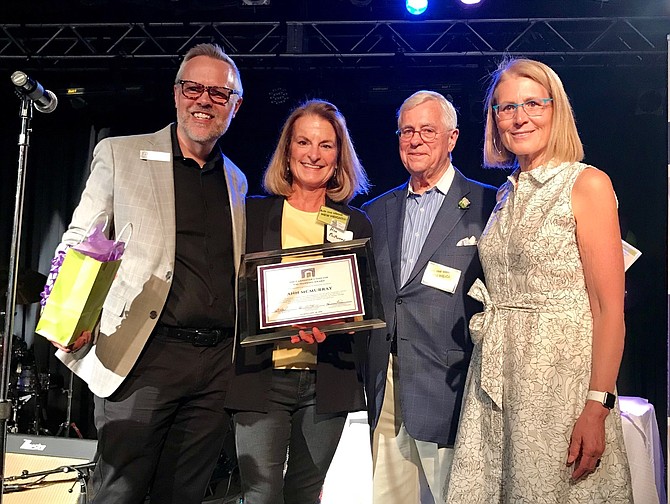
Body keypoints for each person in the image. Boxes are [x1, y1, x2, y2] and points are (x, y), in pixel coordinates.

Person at [45, 43, 247, 504]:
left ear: (235, 106)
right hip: (142, 354)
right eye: (193, 88)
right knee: (118, 493)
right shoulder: (120, 153)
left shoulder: (236, 179)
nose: (204, 101)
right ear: (175, 94)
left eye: (219, 94)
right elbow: (80, 240)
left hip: (215, 366)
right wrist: (65, 318)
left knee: (185, 495)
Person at [445, 58, 633, 502]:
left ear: (556, 109)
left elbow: (609, 308)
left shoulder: (586, 184)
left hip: (558, 383)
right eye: (506, 108)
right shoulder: (506, 191)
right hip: (496, 375)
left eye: (532, 103)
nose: (519, 117)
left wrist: (597, 404)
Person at [225, 99, 371, 504]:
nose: (314, 154)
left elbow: (364, 300)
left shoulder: (354, 223)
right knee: (260, 494)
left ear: (339, 155)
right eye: (303, 142)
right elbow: (231, 293)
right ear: (287, 151)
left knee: (306, 494)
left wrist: (339, 321)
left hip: (327, 379)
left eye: (326, 145)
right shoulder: (252, 214)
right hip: (261, 377)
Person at [362, 90, 497, 504]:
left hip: (452, 387)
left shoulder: (488, 204)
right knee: (390, 498)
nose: (415, 140)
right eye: (407, 131)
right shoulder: (376, 211)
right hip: (385, 386)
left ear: (452, 138)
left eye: (427, 130)